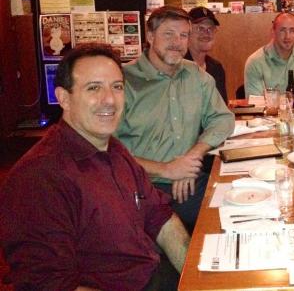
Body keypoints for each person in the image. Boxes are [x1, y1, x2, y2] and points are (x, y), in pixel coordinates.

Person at [0, 43, 189, 290]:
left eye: (117, 87)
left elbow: (160, 217)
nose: (109, 100)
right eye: (93, 88)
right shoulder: (38, 177)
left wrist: (194, 274)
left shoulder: (114, 149)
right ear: (63, 98)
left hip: (151, 274)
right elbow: (48, 284)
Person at [115, 6, 234, 233]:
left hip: (189, 181)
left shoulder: (197, 75)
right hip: (139, 187)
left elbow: (223, 119)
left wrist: (191, 157)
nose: (177, 42)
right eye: (168, 34)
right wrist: (167, 169)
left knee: (240, 207)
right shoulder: (123, 81)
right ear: (150, 36)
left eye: (183, 35)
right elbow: (106, 150)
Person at [244, 12, 294, 97]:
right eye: (282, 30)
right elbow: (256, 105)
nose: (287, 36)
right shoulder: (255, 62)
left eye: (292, 31)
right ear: (273, 31)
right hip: (267, 110)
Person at [186, 6, 227, 102]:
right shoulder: (177, 67)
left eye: (210, 29)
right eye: (200, 28)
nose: (206, 33)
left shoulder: (216, 68)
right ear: (187, 31)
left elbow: (222, 108)